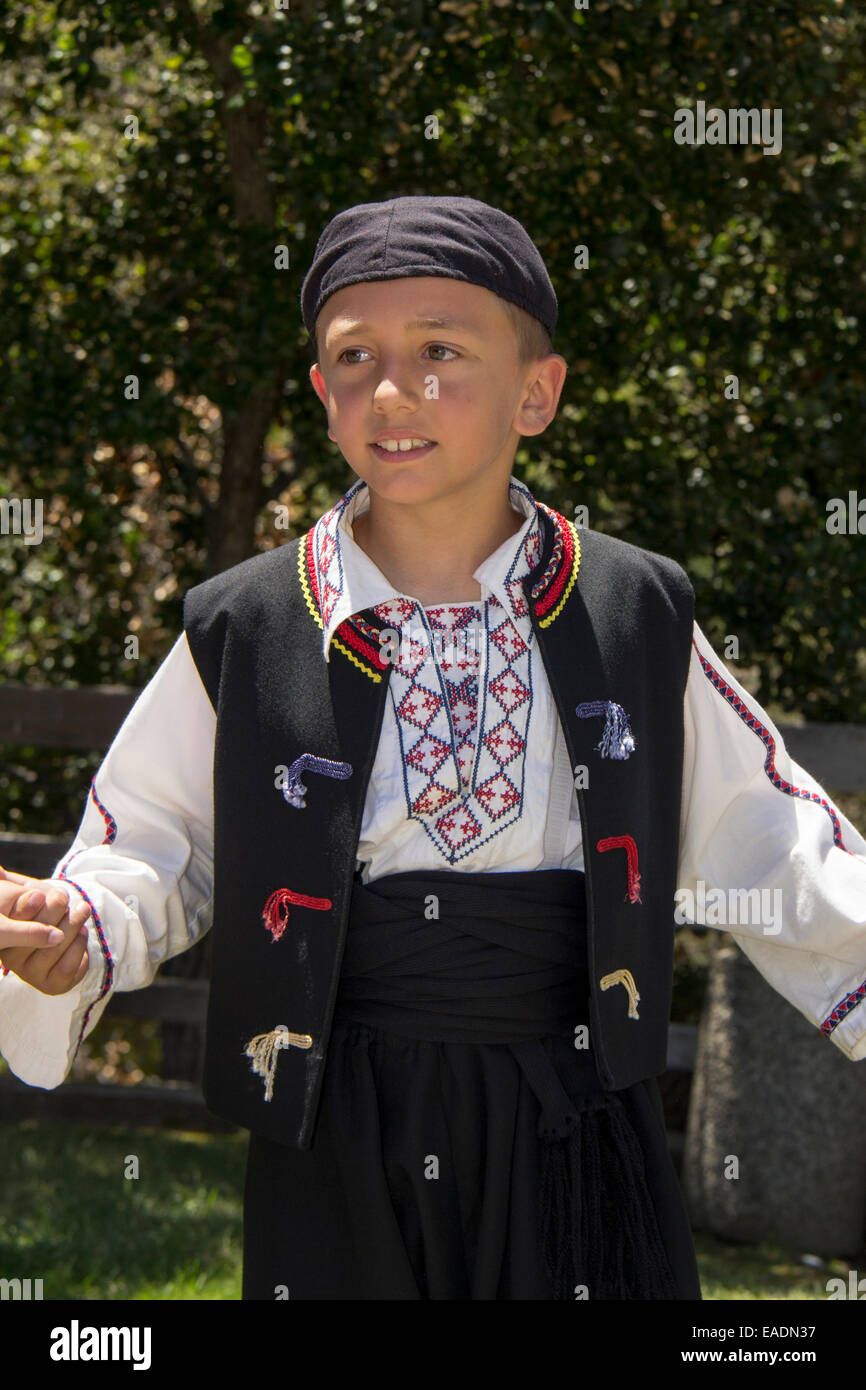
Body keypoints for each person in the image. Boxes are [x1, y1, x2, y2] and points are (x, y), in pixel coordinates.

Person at [1, 195, 865, 1302]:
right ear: (320, 395)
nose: (392, 389)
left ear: (535, 392)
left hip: (575, 1113)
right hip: (335, 1121)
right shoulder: (251, 623)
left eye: (440, 350)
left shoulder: (630, 610)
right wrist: (78, 929)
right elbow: (155, 842)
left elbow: (770, 841)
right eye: (353, 356)